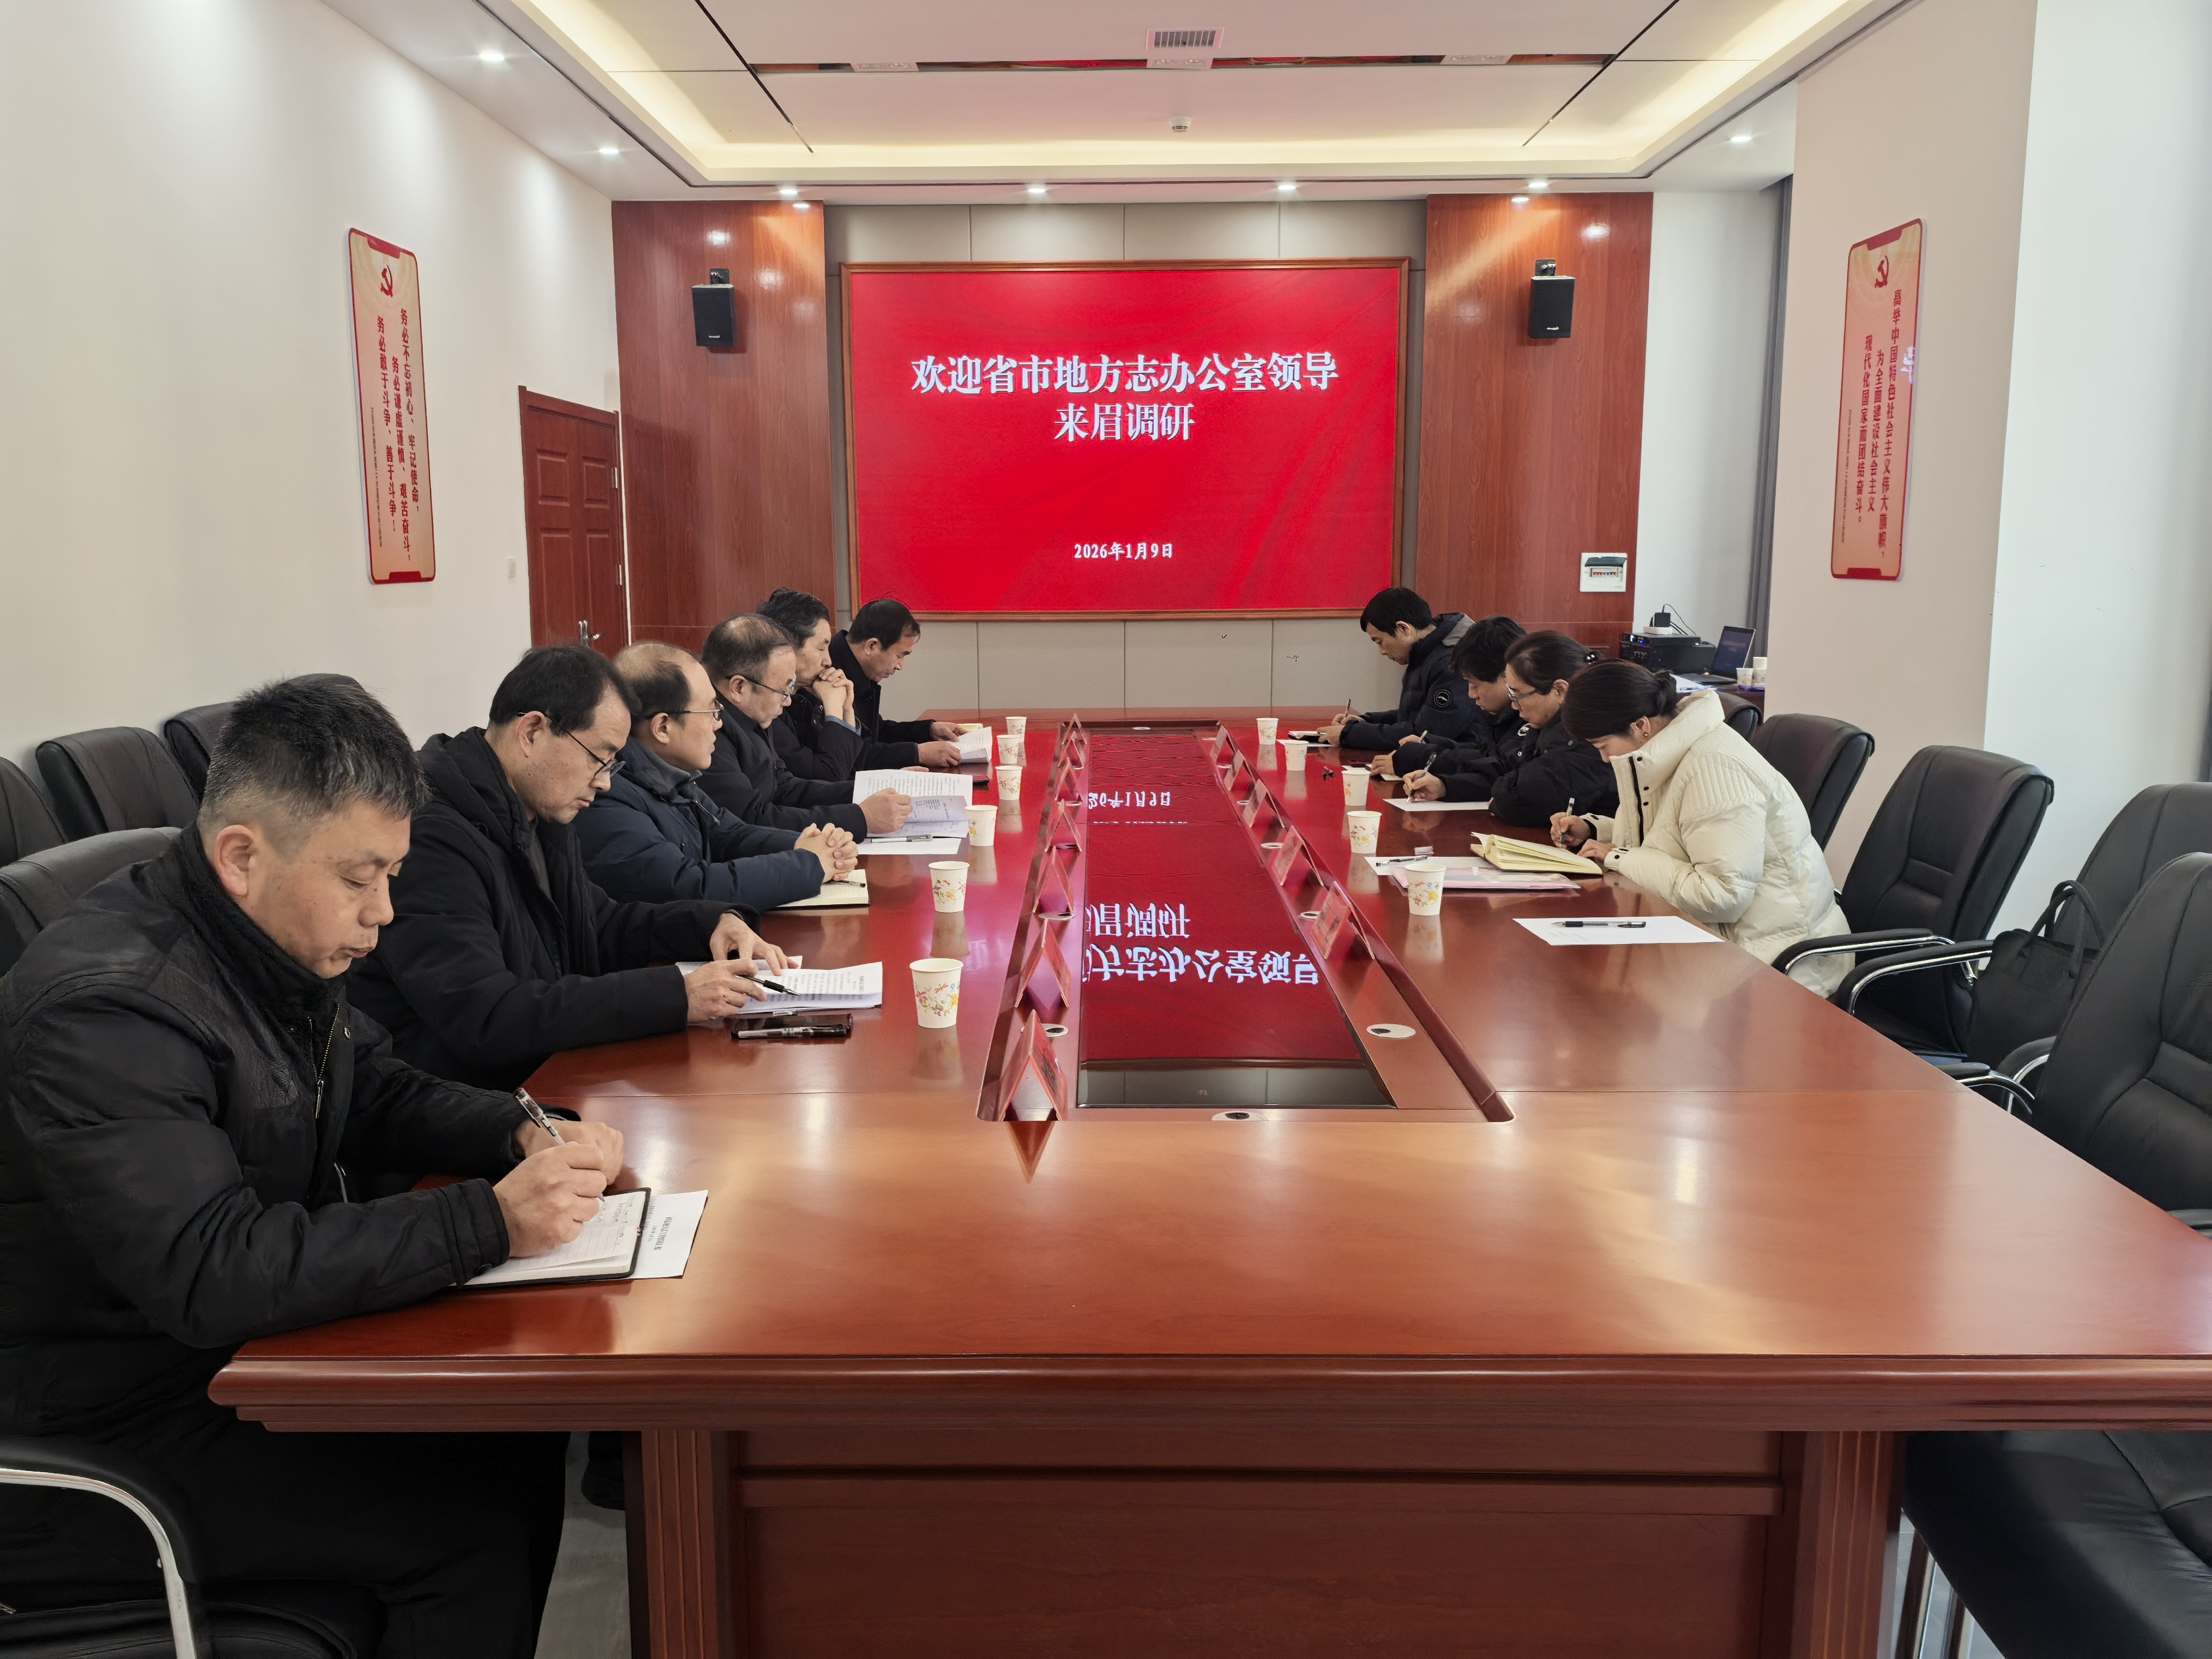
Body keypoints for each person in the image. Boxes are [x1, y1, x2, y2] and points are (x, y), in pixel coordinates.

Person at [0, 678, 626, 1654]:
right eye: (360, 878)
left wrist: (522, 1129)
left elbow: (369, 1087)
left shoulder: (262, 939)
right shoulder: (107, 1010)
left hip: (208, 1365)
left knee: (513, 1438)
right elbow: (210, 1269)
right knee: (471, 1525)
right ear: (242, 856)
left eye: (392, 876)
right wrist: (490, 1222)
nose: (384, 913)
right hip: (97, 1425)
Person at [349, 644, 783, 1092]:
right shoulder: (431, 838)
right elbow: (486, 1016)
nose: (606, 781)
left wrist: (711, 922)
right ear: (533, 732)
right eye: (599, 757)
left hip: (546, 1080)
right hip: (473, 1108)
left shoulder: (537, 812)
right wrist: (676, 994)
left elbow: (601, 925)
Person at [1552, 659, 1853, 994]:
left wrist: (1619, 857)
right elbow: (1674, 834)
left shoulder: (1714, 768)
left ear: (1640, 726)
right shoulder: (1669, 751)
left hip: (1776, 968)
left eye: (1603, 746)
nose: (1605, 759)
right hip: (1716, 943)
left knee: (1597, 996)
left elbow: (1721, 895)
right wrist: (1596, 831)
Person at [577, 641, 857, 911]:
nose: (719, 724)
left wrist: (804, 845)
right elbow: (690, 887)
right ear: (663, 727)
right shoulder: (607, 795)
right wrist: (809, 864)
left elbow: (730, 834)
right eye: (711, 711)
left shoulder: (672, 775)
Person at [696, 612, 912, 837]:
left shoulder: (752, 716)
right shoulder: (712, 733)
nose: (788, 701)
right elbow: (750, 821)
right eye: (783, 690)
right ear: (739, 687)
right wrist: (860, 818)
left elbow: (785, 788)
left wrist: (874, 788)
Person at [1400, 631, 1616, 825]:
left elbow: (1518, 797)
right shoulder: (1546, 725)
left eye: (1518, 694)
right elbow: (1506, 764)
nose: (1514, 705)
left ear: (1559, 691)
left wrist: (1503, 793)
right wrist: (1446, 786)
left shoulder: (1585, 736)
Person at [759, 586, 921, 784]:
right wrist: (834, 710)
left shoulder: (804, 694)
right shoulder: (767, 709)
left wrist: (846, 711)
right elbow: (829, 776)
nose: (829, 661)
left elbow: (849, 764)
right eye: (821, 648)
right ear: (786, 649)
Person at [1320, 587, 1483, 752]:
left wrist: (1351, 734)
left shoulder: (1451, 661)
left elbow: (1425, 734)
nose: (1382, 651)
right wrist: (1364, 721)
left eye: (1380, 642)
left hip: (1454, 760)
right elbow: (1413, 715)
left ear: (1404, 629)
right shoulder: (1425, 653)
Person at [1375, 613, 1525, 780]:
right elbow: (1485, 751)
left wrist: (1418, 759)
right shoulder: (1501, 713)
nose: (1471, 694)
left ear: (1507, 676)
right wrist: (1429, 743)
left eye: (1475, 685)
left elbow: (1497, 765)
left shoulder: (1533, 718)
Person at [830, 597, 964, 768]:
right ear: (871, 646)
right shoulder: (830, 678)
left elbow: (877, 733)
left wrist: (928, 730)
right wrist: (918, 754)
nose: (900, 666)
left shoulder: (855, 669)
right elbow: (852, 757)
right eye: (899, 656)